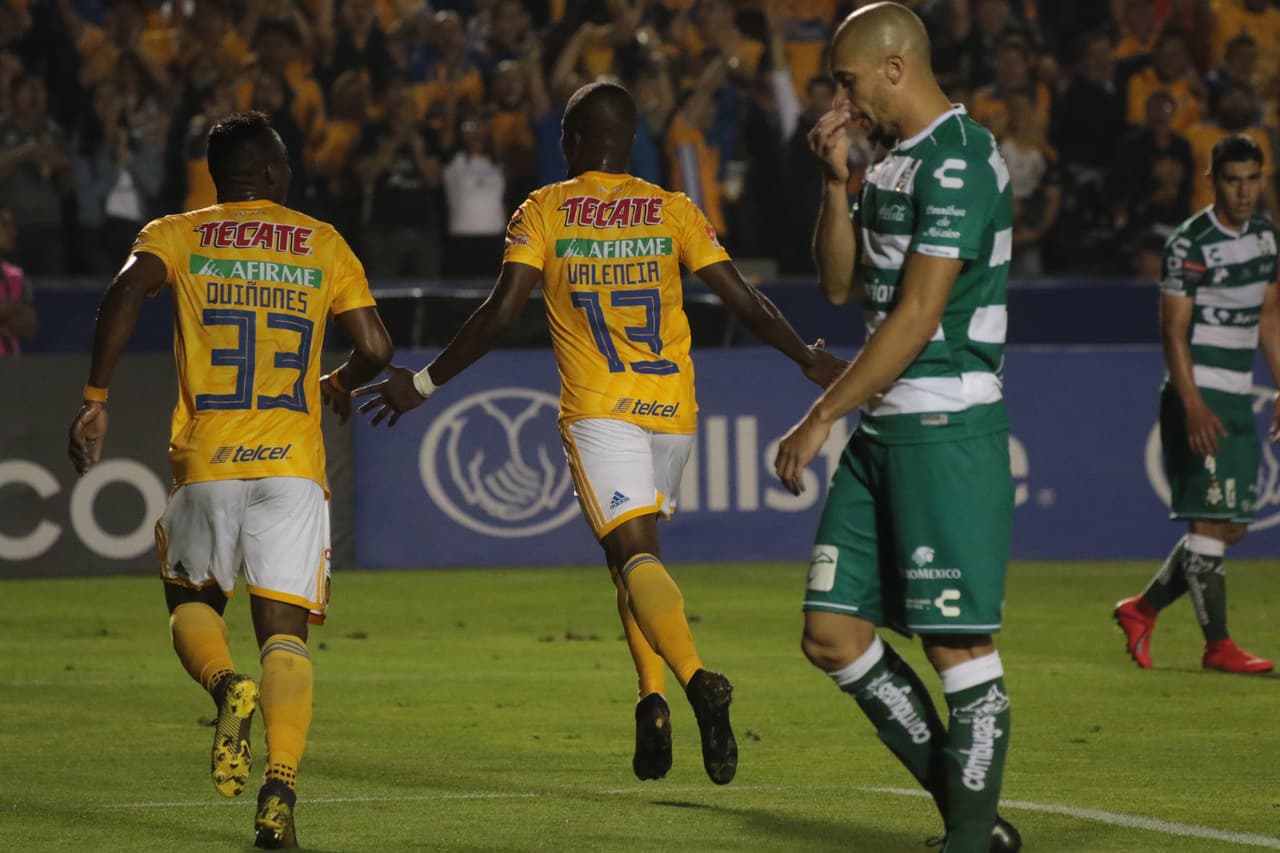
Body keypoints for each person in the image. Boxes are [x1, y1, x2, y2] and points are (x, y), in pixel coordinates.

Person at [354, 81, 844, 786]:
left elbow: (499, 315)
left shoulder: (545, 209)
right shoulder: (674, 208)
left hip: (600, 407)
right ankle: (650, 699)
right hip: (672, 409)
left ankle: (697, 678)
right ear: (631, 139)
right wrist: (806, 356)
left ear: (573, 143)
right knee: (634, 558)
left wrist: (423, 383)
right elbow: (743, 299)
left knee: (632, 555)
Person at [66, 111, 393, 849]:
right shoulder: (321, 240)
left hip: (210, 460)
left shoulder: (177, 232)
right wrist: (338, 380)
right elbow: (376, 344)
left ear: (218, 177)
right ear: (273, 174)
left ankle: (223, 686)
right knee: (286, 636)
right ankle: (279, 789)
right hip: (292, 467)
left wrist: (95, 398)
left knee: (191, 600)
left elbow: (123, 293)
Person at [772, 4, 1021, 851]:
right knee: (831, 634)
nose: (838, 98)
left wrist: (819, 414)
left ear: (892, 67)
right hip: (882, 431)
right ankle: (972, 816)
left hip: (944, 429)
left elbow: (916, 317)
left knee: (959, 646)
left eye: (845, 80)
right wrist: (836, 182)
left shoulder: (960, 160)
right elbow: (839, 286)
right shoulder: (891, 164)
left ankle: (967, 837)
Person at [1113, 134, 1279, 676]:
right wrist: (1192, 403)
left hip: (1237, 395)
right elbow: (1173, 331)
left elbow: (1270, 318)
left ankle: (1141, 609)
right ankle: (1218, 646)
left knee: (1231, 525)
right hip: (1199, 394)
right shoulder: (1190, 243)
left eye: (1252, 178)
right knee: (1210, 523)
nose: (1244, 190)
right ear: (1211, 181)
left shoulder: (1265, 237)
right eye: (1232, 179)